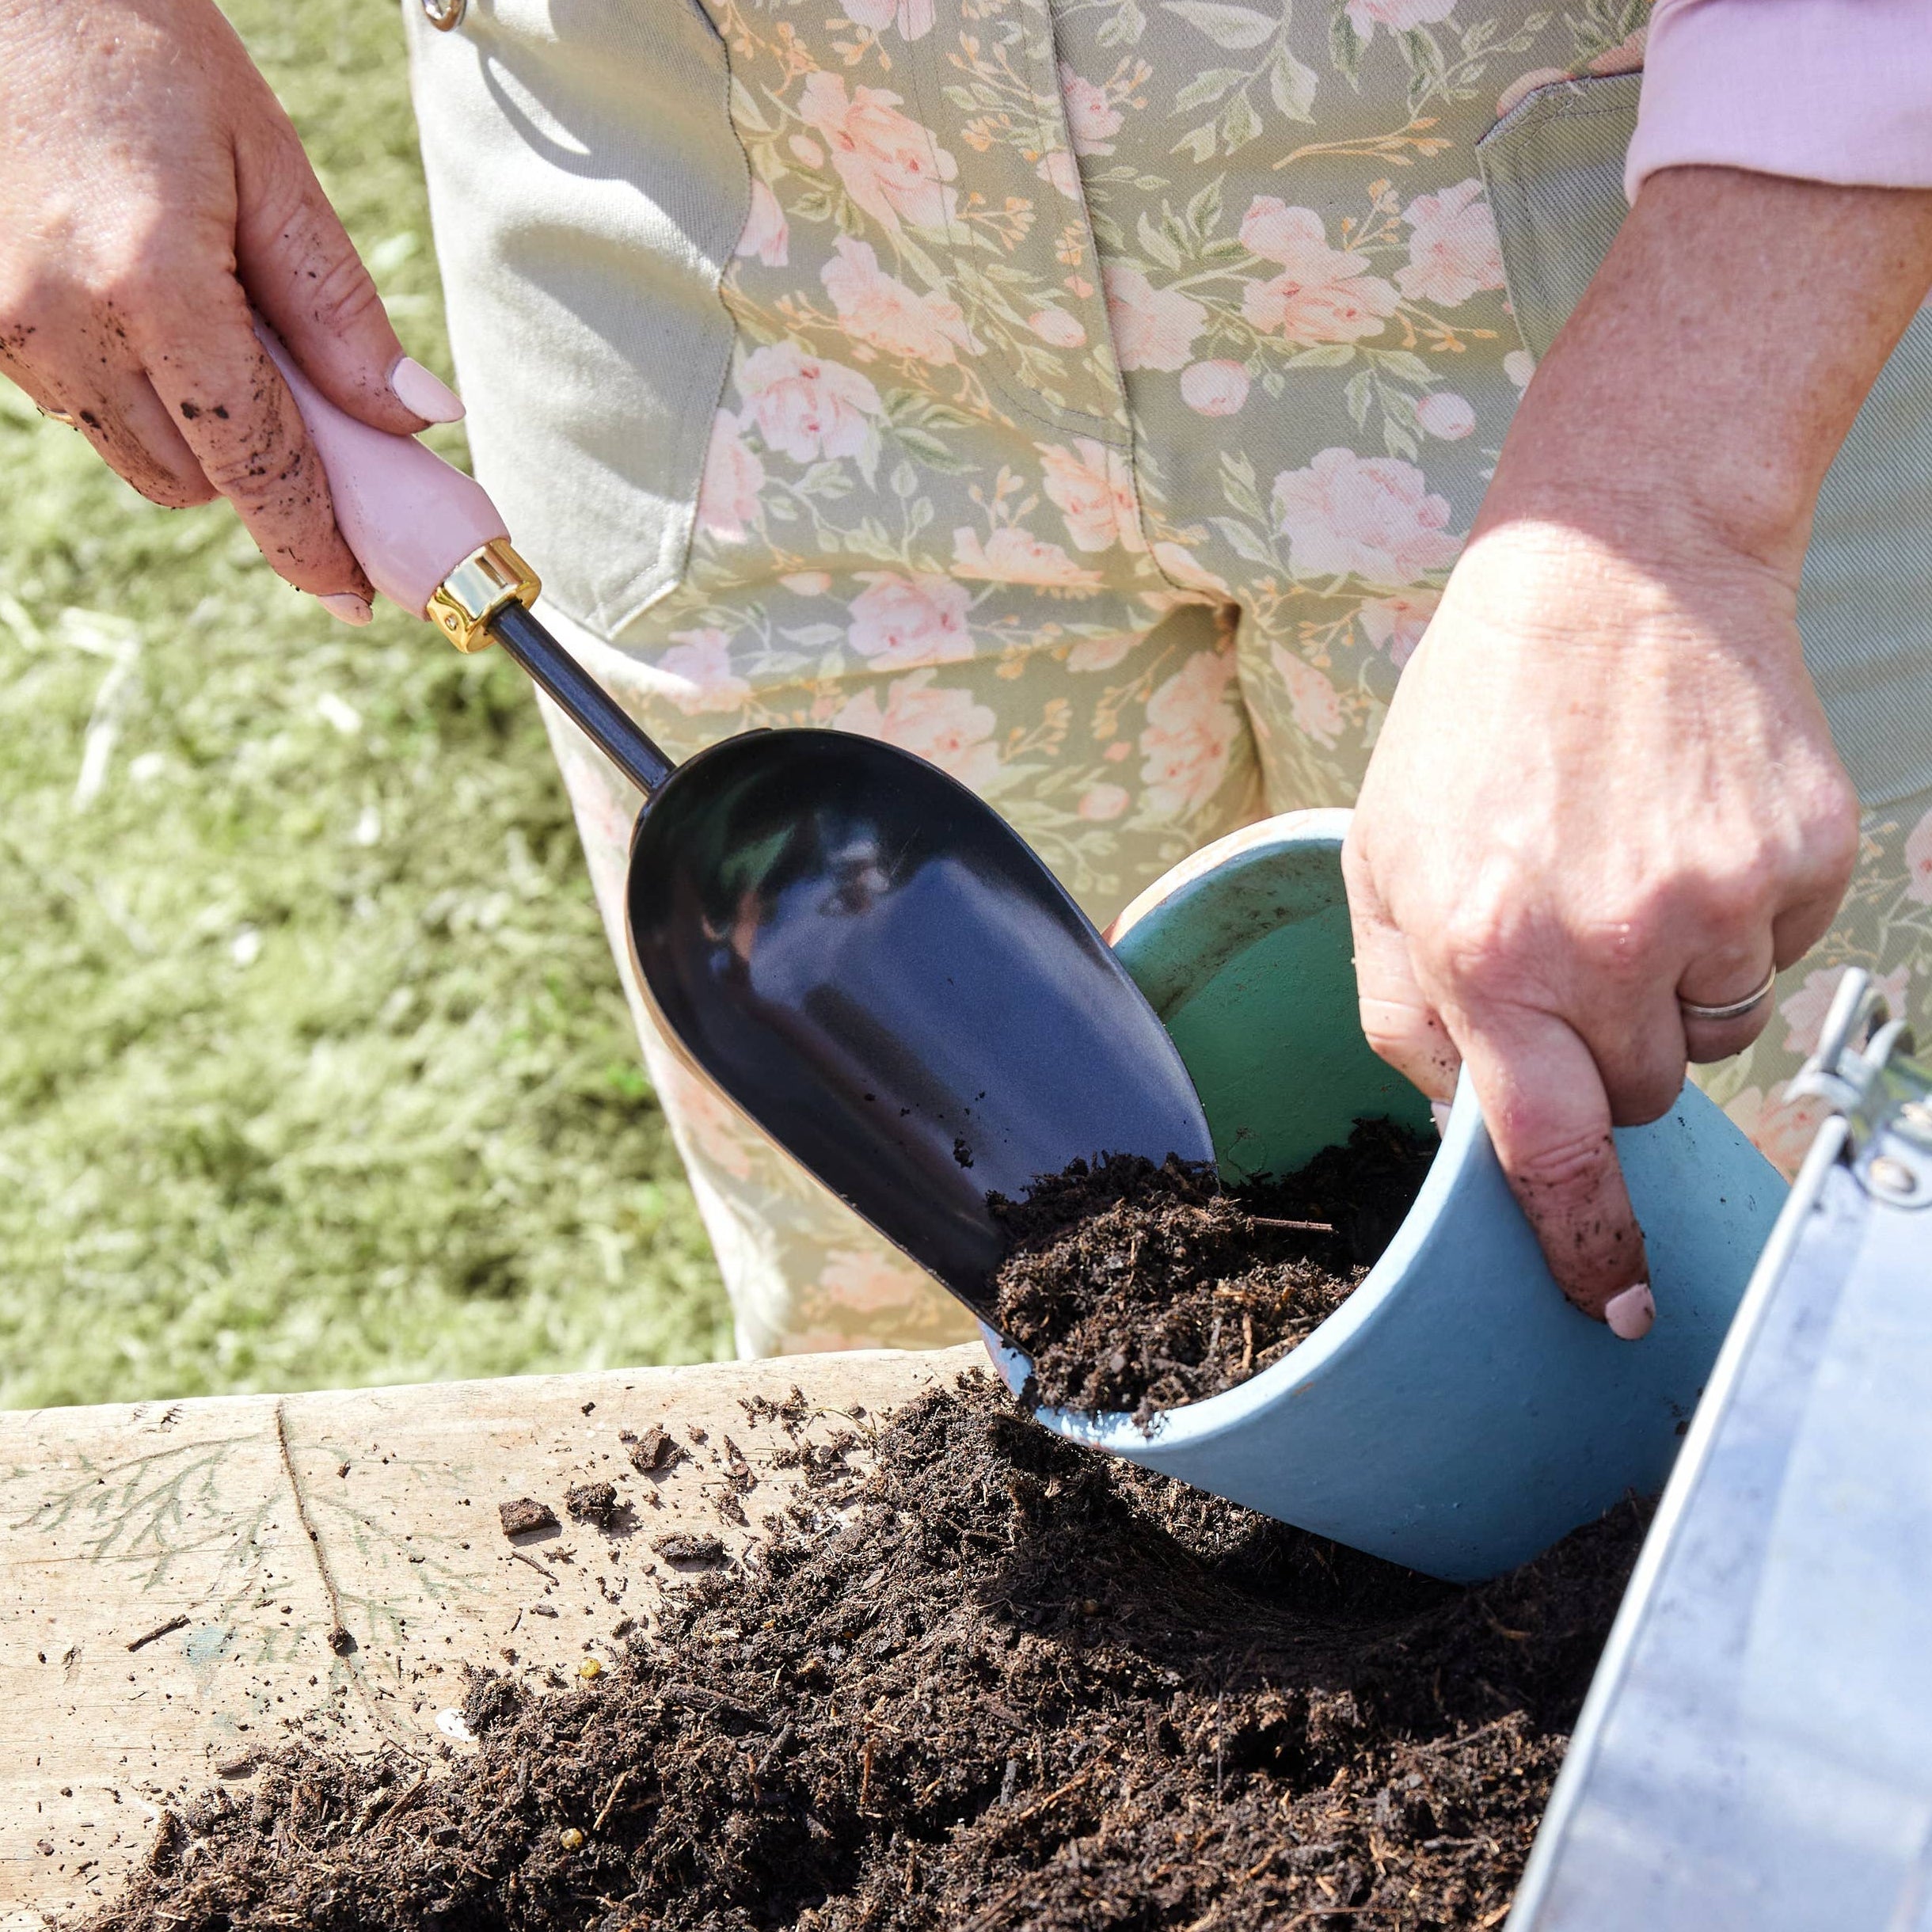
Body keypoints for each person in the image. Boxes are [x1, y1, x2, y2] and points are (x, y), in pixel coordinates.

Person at [4, 0, 1929, 1357]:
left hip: (1651, 241)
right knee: (919, 1328)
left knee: (1760, 1301)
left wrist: (1665, 506)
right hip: (726, 250)